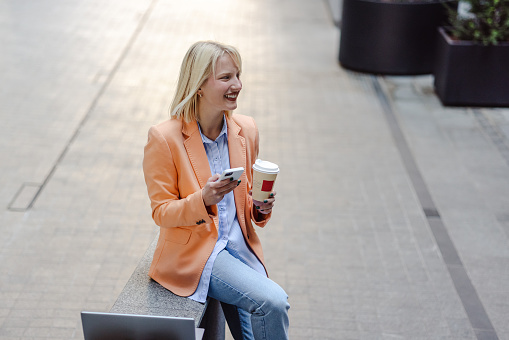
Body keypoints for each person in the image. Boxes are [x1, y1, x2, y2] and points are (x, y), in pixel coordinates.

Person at [142, 41, 290, 340]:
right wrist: (203, 199)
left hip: (239, 247)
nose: (236, 85)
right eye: (226, 78)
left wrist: (261, 206)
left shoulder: (245, 130)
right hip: (197, 253)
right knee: (272, 301)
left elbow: (246, 205)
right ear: (198, 85)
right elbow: (161, 212)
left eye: (238, 75)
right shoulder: (164, 138)